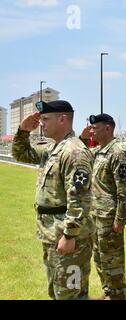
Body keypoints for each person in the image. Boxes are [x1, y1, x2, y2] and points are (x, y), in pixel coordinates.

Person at [12, 100, 94, 300]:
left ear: (63, 119)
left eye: (46, 119)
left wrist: (70, 235)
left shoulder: (74, 152)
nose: (41, 123)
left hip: (66, 236)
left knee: (70, 293)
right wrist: (23, 131)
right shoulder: (54, 148)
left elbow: (80, 199)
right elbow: (21, 154)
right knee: (58, 291)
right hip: (51, 233)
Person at [80, 114, 126, 300]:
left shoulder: (117, 153)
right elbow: (81, 154)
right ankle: (108, 291)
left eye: (95, 128)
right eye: (91, 128)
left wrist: (120, 219)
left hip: (109, 217)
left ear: (108, 128)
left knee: (112, 258)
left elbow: (125, 190)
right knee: (99, 256)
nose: (92, 130)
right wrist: (84, 137)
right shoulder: (99, 151)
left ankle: (117, 294)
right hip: (96, 214)